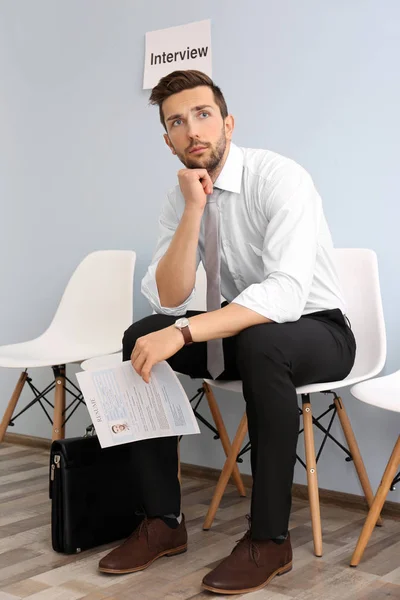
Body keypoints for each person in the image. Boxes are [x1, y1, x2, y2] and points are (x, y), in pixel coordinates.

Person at [98, 70, 356, 594]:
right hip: (246, 330)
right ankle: (163, 523)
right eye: (177, 122)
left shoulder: (278, 177)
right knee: (141, 336)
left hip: (319, 331)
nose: (192, 129)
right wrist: (194, 208)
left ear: (228, 123)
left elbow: (284, 295)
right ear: (167, 140)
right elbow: (167, 296)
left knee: (259, 342)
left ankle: (270, 539)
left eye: (203, 114)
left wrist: (188, 332)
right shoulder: (180, 198)